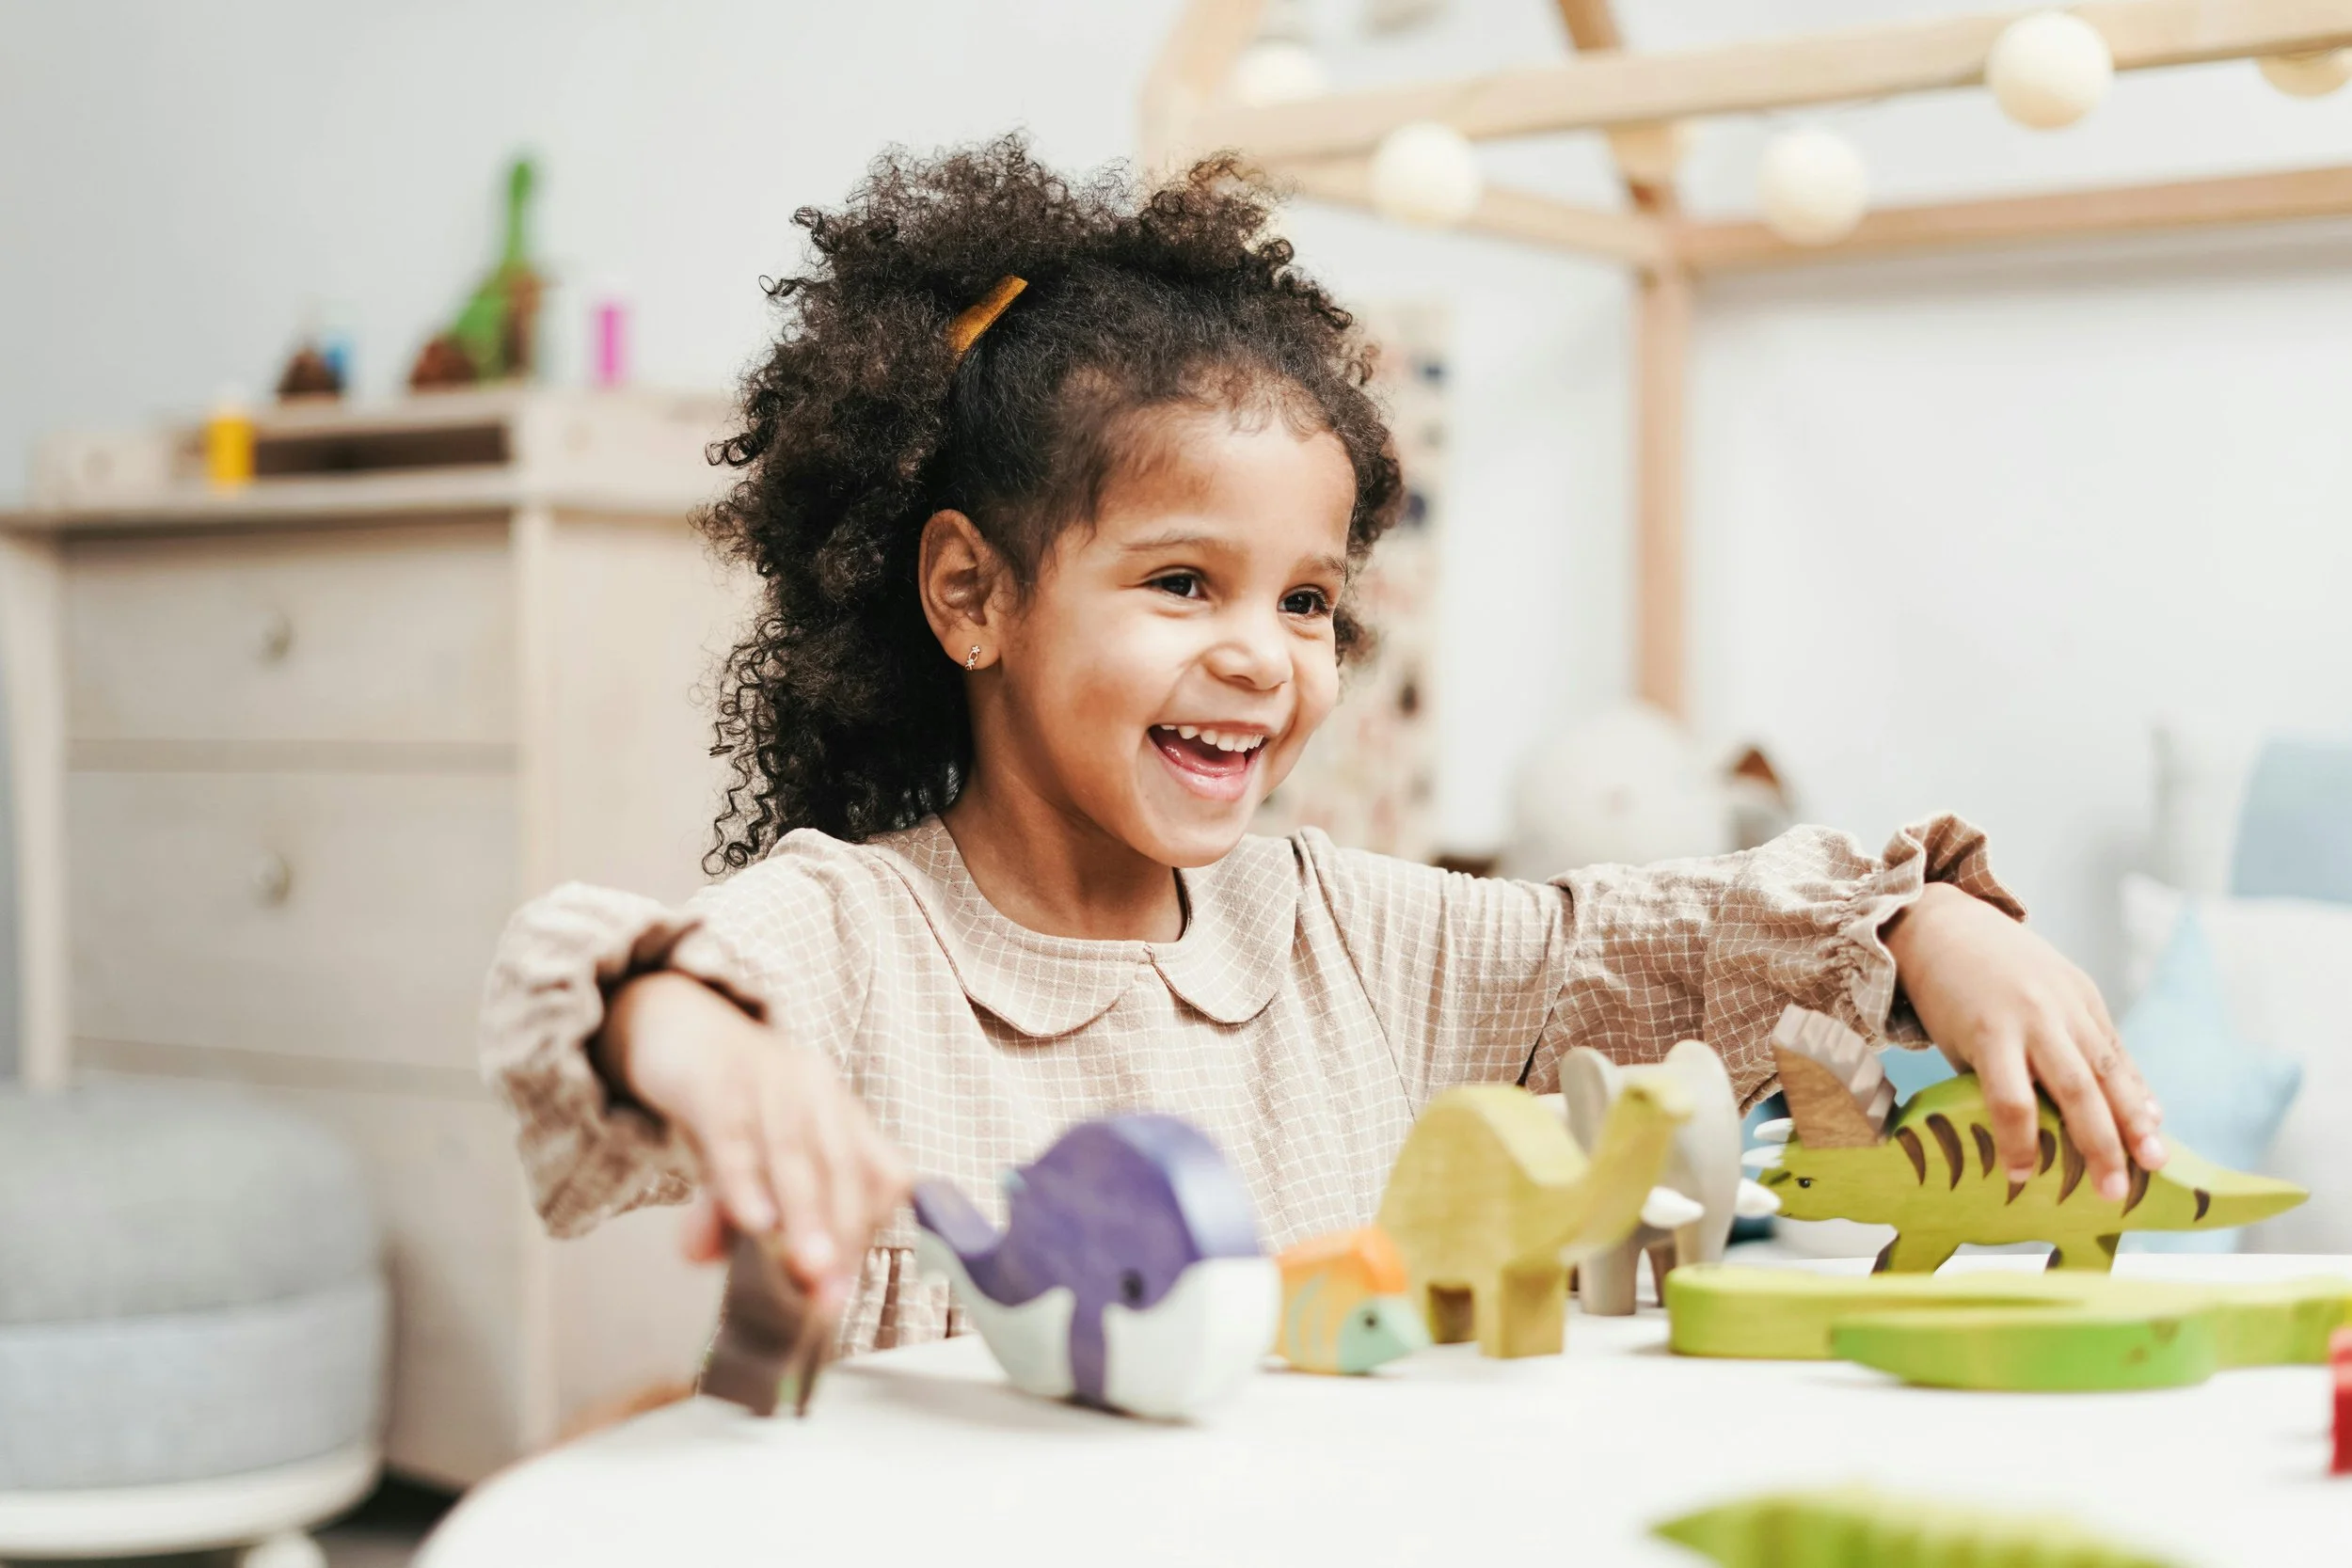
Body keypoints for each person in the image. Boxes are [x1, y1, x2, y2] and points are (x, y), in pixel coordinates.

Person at [480, 136, 2164, 1355]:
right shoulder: (858, 937)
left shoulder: (1351, 933)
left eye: (1305, 601)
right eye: (1180, 580)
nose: (1260, 657)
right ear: (972, 594)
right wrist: (699, 1041)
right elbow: (582, 976)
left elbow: (1656, 940)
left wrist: (1922, 921)